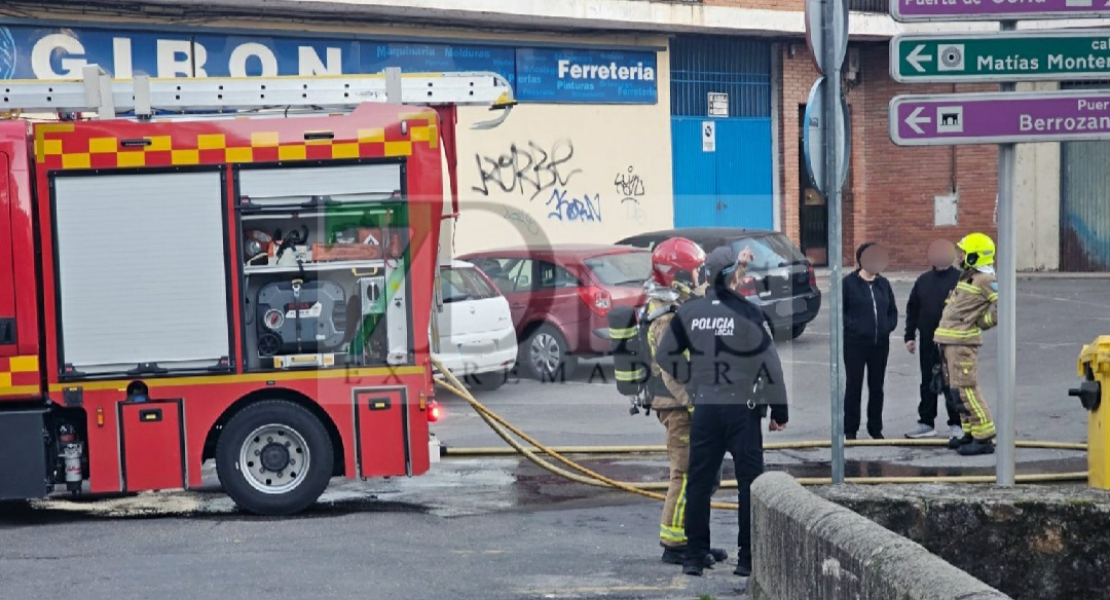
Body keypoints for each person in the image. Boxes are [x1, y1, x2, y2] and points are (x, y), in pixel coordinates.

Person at [656, 245, 789, 579]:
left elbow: (665, 355)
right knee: (749, 485)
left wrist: (695, 383)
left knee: (698, 483)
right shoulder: (749, 312)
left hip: (705, 408)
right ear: (732, 276)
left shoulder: (690, 312)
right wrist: (779, 409)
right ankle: (747, 560)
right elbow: (769, 362)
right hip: (741, 410)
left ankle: (694, 558)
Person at [641, 237, 728, 567]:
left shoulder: (683, 307)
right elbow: (672, 371)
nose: (701, 278)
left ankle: (695, 539)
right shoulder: (666, 316)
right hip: (680, 407)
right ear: (674, 276)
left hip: (693, 403)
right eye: (695, 272)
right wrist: (697, 405)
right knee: (687, 473)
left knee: (704, 476)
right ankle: (675, 543)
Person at [934, 232, 999, 456]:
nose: (959, 256)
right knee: (956, 392)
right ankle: (970, 433)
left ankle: (983, 438)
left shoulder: (986, 280)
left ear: (974, 256)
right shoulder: (968, 278)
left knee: (967, 389)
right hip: (950, 341)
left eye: (963, 253)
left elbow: (1003, 305)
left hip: (962, 344)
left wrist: (982, 322)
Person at [904, 240, 963, 440]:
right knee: (928, 382)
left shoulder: (961, 280)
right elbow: (912, 309)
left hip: (952, 342)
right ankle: (926, 423)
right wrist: (909, 336)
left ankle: (957, 424)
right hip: (928, 341)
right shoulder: (923, 280)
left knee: (952, 383)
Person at [841, 242, 898, 440]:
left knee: (877, 387)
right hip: (855, 344)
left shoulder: (884, 284)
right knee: (853, 386)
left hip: (880, 344)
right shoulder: (848, 283)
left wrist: (887, 326)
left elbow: (892, 311)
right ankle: (850, 429)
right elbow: (841, 312)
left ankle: (875, 428)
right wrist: (854, 327)